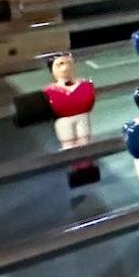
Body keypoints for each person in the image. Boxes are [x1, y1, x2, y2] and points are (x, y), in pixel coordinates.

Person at [40, 52, 99, 187]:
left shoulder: (85, 85)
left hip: (82, 117)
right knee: (68, 144)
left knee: (84, 141)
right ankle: (74, 169)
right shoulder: (49, 91)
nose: (65, 67)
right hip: (63, 121)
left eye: (68, 63)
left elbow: (88, 100)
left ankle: (87, 167)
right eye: (60, 64)